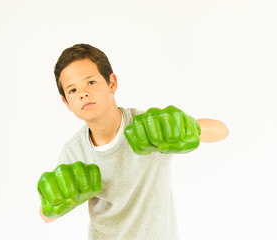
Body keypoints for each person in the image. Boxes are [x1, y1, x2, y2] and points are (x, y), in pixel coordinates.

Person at [37, 43, 229, 240]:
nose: (83, 93)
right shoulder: (74, 151)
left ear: (111, 83)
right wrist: (57, 202)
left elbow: (222, 131)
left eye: (91, 82)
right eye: (72, 90)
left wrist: (188, 129)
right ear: (66, 103)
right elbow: (46, 216)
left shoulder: (150, 127)